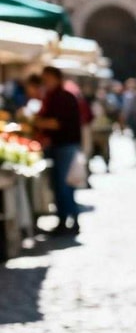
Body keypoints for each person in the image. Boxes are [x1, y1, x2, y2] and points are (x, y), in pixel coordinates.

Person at [32, 67, 83, 235]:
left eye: (47, 78)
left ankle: (71, 220)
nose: (44, 81)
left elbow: (57, 123)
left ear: (55, 78)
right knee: (59, 184)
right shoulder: (52, 96)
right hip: (58, 145)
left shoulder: (64, 97)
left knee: (63, 185)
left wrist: (36, 122)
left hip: (66, 145)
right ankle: (65, 219)